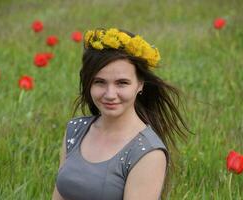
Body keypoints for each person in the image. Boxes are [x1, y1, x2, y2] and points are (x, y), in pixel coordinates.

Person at [52, 28, 189, 200]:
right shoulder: (75, 130)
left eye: (122, 83)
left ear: (140, 84)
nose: (110, 94)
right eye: (100, 82)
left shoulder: (148, 152)